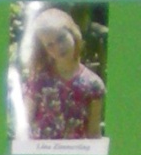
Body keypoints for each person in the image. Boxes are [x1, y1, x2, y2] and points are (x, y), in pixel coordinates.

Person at [21, 8, 104, 141]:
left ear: (72, 33)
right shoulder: (38, 79)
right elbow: (25, 123)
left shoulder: (94, 84)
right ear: (45, 50)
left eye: (61, 38)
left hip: (76, 153)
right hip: (42, 151)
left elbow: (94, 133)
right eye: (50, 45)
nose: (58, 47)